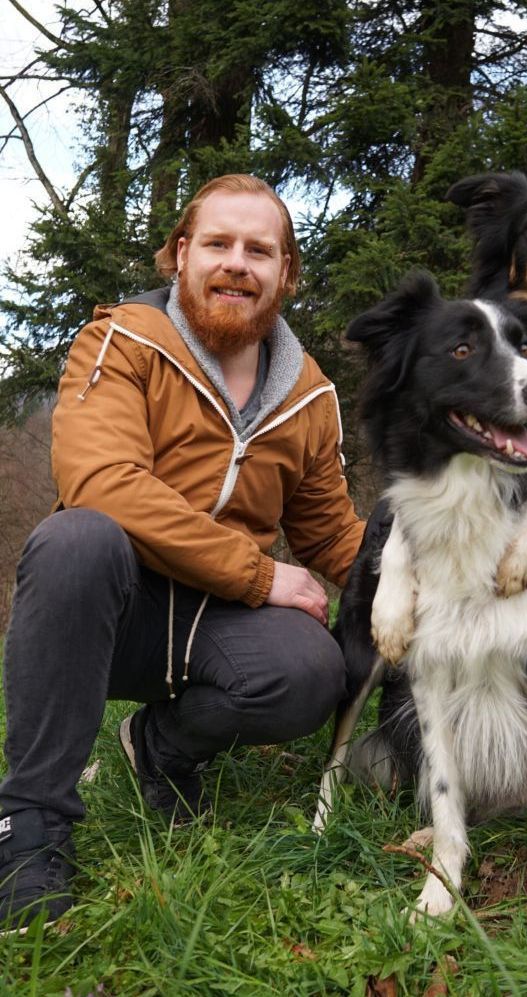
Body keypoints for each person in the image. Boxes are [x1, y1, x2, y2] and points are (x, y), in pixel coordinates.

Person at [0, 174, 365, 931]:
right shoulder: (121, 343)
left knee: (313, 667)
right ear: (179, 255)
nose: (237, 263)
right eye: (218, 244)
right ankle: (31, 822)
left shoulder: (309, 394)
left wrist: (433, 578)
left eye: (259, 250)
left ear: (286, 274)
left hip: (215, 626)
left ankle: (159, 749)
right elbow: (102, 482)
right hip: (112, 613)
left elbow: (332, 533)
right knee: (76, 537)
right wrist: (262, 574)